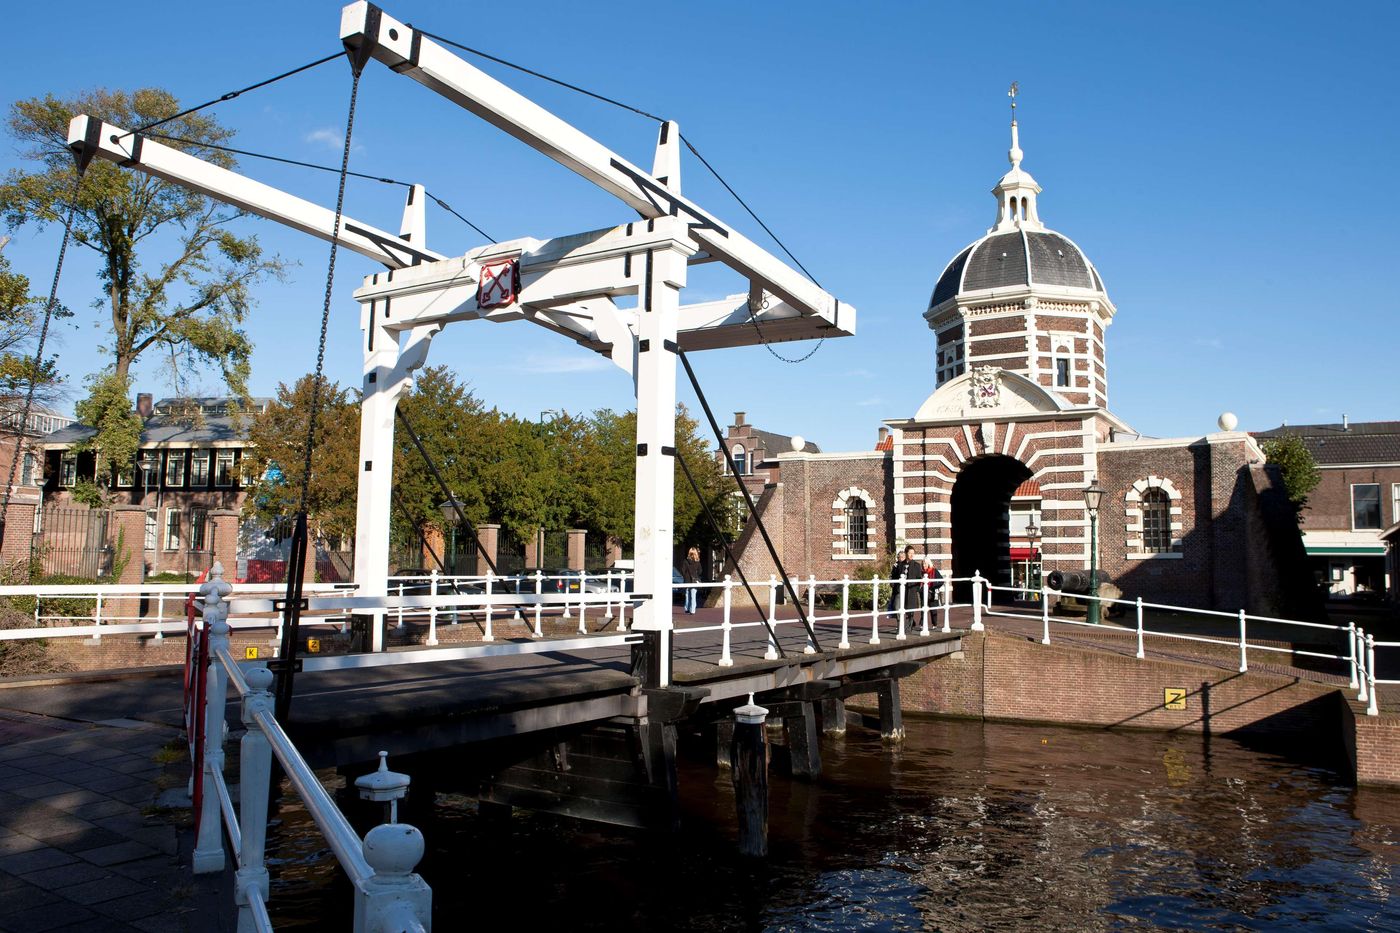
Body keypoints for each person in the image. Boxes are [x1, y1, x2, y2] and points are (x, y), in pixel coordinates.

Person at [887, 545, 915, 613]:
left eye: (903, 557)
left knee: (908, 606)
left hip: (908, 588)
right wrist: (892, 583)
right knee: (896, 606)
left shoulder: (911, 564)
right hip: (898, 588)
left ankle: (910, 620)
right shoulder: (896, 565)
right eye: (900, 557)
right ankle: (899, 620)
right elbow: (892, 575)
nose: (901, 558)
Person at [680, 547, 702, 614]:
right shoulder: (697, 562)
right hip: (694, 581)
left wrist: (686, 576)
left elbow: (682, 571)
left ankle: (687, 609)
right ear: (696, 553)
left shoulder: (685, 561)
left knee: (687, 595)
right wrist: (696, 575)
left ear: (689, 553)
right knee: (693, 595)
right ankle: (692, 610)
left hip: (687, 580)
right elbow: (700, 571)